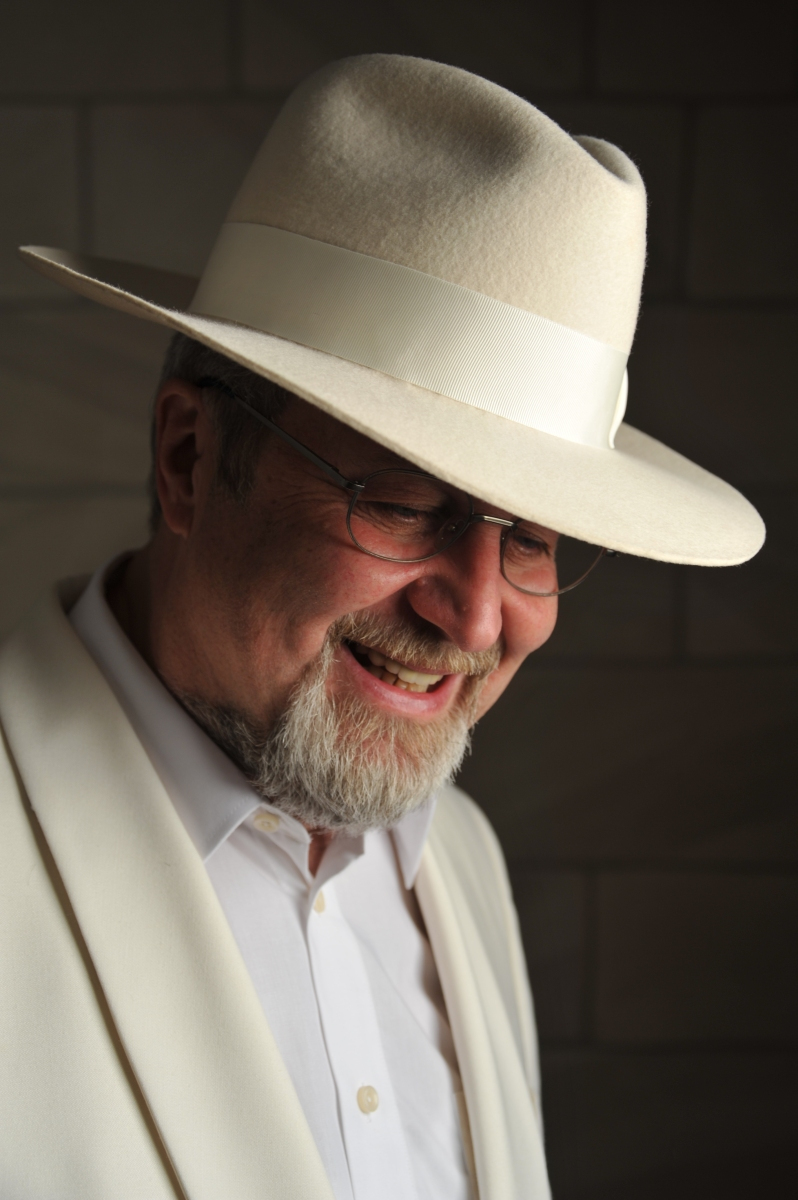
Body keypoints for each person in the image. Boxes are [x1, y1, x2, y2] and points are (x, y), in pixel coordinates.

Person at [0, 54, 763, 1200]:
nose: (478, 611)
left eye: (533, 538)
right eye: (404, 505)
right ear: (190, 460)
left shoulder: (462, 862)